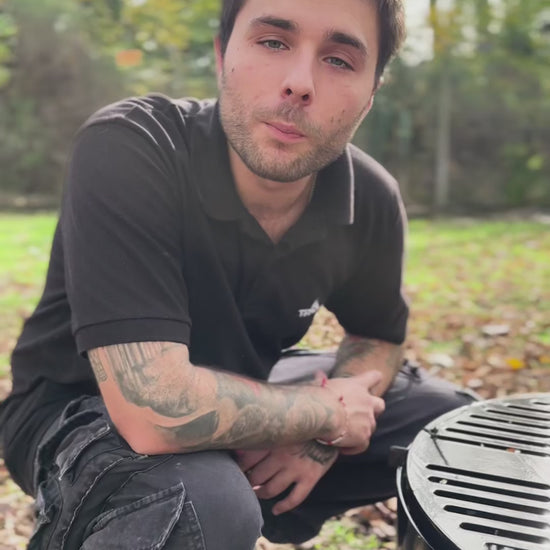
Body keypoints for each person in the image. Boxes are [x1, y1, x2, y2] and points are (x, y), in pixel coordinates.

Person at [0, 0, 475, 548]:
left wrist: (316, 442)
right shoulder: (132, 145)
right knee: (201, 501)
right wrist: (325, 413)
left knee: (455, 429)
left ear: (371, 93)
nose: (299, 83)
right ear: (222, 53)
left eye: (339, 60)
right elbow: (154, 408)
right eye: (273, 42)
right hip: (81, 407)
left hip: (246, 385)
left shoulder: (369, 197)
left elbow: (377, 336)